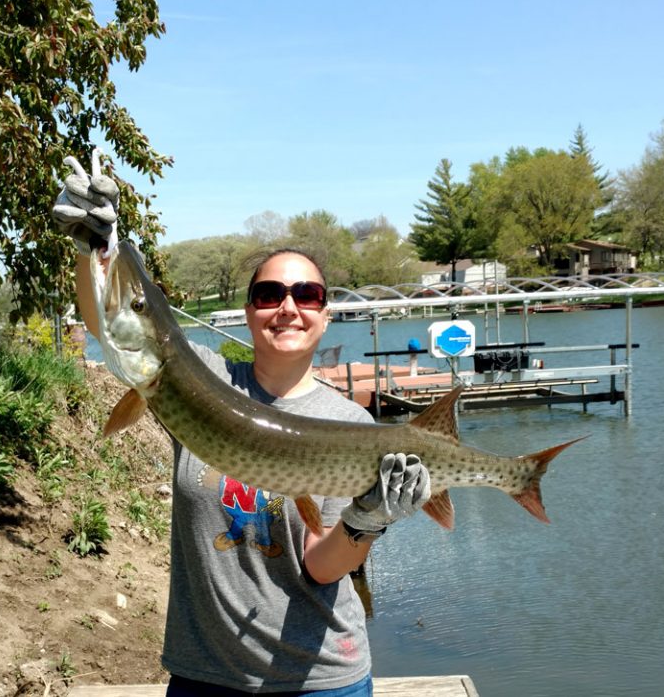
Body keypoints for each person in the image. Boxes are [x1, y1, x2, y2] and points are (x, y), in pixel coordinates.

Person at [53, 152, 431, 696]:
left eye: (307, 295)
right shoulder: (199, 378)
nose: (288, 307)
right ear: (249, 311)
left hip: (320, 679)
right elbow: (112, 324)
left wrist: (367, 520)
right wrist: (99, 247)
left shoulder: (347, 421)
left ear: (325, 315)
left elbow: (322, 568)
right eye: (268, 294)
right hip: (205, 675)